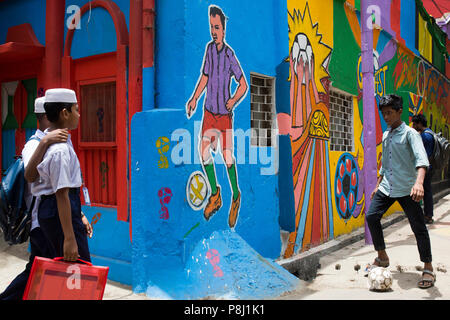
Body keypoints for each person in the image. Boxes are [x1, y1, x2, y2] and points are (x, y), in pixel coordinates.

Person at [1, 97, 76, 300]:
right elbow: (32, 175)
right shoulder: (35, 144)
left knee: (40, 270)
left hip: (49, 219)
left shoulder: (59, 141)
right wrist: (45, 141)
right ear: (46, 117)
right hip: (41, 220)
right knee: (40, 270)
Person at [186, 5, 248, 228]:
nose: (214, 31)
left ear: (224, 29)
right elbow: (204, 77)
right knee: (203, 154)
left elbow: (243, 84)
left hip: (224, 117)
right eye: (211, 27)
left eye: (217, 27)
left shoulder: (230, 55)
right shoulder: (209, 50)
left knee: (228, 157)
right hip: (209, 113)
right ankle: (216, 194)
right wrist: (194, 99)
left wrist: (232, 101)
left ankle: (236, 196)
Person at [366, 94, 435, 289]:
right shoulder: (387, 134)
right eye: (383, 113)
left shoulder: (411, 134)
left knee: (418, 227)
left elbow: (422, 161)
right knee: (372, 216)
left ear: (399, 112)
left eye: (389, 113)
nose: (386, 117)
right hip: (387, 186)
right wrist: (378, 184)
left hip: (408, 188)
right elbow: (385, 163)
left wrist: (419, 183)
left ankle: (428, 266)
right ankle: (382, 256)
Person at [32, 88, 91, 262]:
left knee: (62, 269)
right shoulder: (59, 150)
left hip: (56, 210)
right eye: (76, 109)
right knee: (78, 269)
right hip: (60, 211)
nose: (79, 115)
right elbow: (61, 194)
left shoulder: (57, 141)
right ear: (65, 113)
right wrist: (70, 239)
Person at [411, 114, 435, 224]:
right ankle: (428, 214)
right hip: (430, 166)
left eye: (415, 123)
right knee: (427, 190)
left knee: (425, 191)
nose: (413, 126)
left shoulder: (425, 136)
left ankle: (428, 215)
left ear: (419, 124)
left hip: (425, 168)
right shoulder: (430, 133)